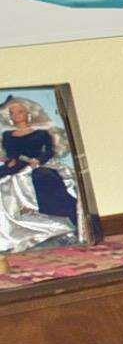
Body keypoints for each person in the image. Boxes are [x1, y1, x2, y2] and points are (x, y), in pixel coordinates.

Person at [1, 94, 83, 247]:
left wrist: (38, 161)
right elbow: (11, 154)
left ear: (28, 113)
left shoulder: (41, 133)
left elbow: (49, 151)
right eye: (12, 112)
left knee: (46, 178)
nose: (16, 115)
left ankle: (65, 223)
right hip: (17, 166)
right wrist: (9, 160)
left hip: (38, 165)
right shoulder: (7, 135)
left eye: (20, 111)